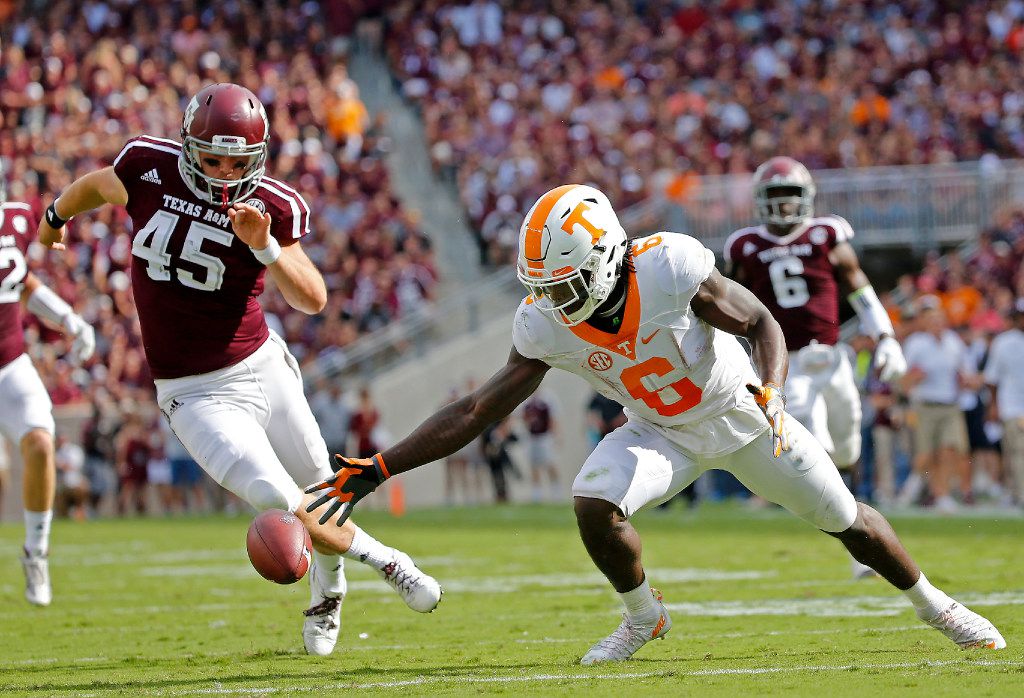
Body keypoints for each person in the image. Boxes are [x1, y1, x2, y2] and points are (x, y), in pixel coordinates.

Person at [306, 184, 1005, 664]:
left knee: (846, 519)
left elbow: (758, 319)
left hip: (740, 414)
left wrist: (773, 389)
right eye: (543, 288)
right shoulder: (546, 324)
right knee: (593, 502)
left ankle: (937, 606)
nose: (552, 301)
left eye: (564, 284)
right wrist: (381, 467)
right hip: (660, 432)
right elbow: (477, 409)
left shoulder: (668, 267)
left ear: (608, 259)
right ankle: (644, 617)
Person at [37, 82, 440, 655]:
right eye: (212, 158)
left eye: (237, 160)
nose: (225, 172)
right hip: (192, 392)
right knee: (278, 495)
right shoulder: (148, 166)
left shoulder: (274, 205)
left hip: (260, 367)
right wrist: (54, 216)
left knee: (320, 488)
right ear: (187, 145)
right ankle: (392, 561)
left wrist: (268, 248)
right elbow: (99, 186)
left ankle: (328, 593)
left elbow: (314, 298)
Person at [724, 156, 909, 578]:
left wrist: (886, 336)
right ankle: (859, 550)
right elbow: (727, 303)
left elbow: (859, 288)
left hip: (834, 358)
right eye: (777, 197)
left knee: (846, 449)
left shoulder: (826, 234)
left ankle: (856, 525)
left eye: (791, 196)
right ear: (761, 200)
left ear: (806, 197)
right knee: (816, 443)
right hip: (785, 363)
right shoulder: (744, 246)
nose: (785, 206)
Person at [0, 164, 95, 605]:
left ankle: (36, 552)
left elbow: (20, 283)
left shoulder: (14, 219)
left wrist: (65, 317)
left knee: (40, 442)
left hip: (10, 362)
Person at [900, 302, 975, 511]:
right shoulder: (916, 343)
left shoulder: (953, 342)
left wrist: (966, 381)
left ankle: (942, 494)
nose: (937, 324)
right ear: (925, 323)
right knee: (927, 454)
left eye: (940, 320)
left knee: (950, 449)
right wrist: (914, 379)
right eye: (932, 321)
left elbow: (965, 372)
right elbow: (903, 379)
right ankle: (916, 486)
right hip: (925, 405)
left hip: (950, 405)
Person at [984, 300, 1024, 509]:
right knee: (1016, 452)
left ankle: (1015, 492)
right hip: (1013, 405)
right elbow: (992, 379)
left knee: (1016, 453)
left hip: (1013, 405)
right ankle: (1018, 494)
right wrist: (994, 405)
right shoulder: (1004, 342)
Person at [521, 391, 559, 502]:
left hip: (545, 436)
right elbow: (523, 418)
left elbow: (553, 419)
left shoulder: (547, 399)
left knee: (550, 463)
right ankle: (537, 493)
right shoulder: (526, 402)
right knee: (534, 465)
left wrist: (555, 435)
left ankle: (556, 490)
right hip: (532, 437)